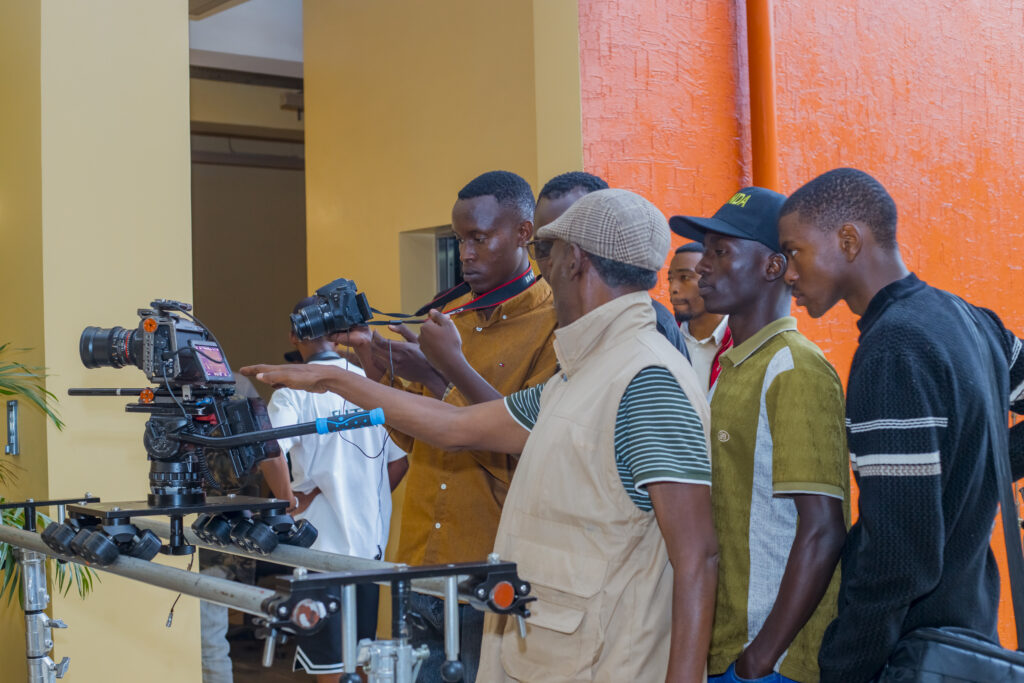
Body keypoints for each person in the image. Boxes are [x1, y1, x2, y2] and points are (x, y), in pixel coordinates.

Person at [243, 188, 718, 683]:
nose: (545, 269)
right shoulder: (582, 375)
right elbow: (454, 428)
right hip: (554, 651)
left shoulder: (646, 378)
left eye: (549, 253)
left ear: (574, 260)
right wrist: (334, 378)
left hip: (610, 660)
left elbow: (697, 556)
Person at [777, 168, 1024, 683]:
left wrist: (843, 669)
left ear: (848, 240)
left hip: (910, 657)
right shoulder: (971, 320)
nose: (788, 274)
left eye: (794, 252)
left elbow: (898, 559)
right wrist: (976, 467)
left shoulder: (893, 349)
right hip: (968, 645)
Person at [343, 170, 558, 682]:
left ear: (524, 233)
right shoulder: (451, 320)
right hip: (420, 560)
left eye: (479, 238)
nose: (465, 253)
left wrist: (447, 371)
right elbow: (414, 438)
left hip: (494, 566)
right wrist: (382, 372)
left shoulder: (554, 323)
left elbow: (532, 449)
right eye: (460, 239)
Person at [671, 187, 849, 683]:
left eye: (720, 251)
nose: (702, 266)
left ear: (774, 267)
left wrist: (759, 660)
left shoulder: (794, 367)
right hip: (728, 649)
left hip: (768, 662)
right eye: (705, 251)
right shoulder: (734, 366)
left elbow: (823, 528)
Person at [259, 296, 408, 682]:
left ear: (294, 335)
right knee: (360, 663)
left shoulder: (292, 390)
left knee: (330, 670)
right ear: (339, 332)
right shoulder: (371, 384)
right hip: (369, 549)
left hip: (320, 552)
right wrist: (363, 493)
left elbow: (269, 450)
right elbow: (400, 459)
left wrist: (288, 501)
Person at [534, 170, 689, 358]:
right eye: (542, 247)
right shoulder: (540, 319)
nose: (552, 260)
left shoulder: (650, 331)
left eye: (564, 245)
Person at [667, 242, 730, 390]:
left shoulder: (742, 343)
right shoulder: (663, 338)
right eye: (670, 279)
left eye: (685, 278)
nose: (672, 288)